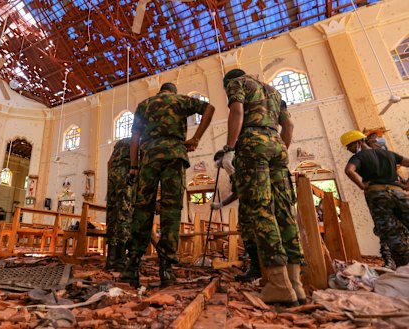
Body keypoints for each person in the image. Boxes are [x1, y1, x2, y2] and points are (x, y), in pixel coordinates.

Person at [221, 69, 304, 305]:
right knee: (284, 212)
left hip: (252, 142)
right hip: (277, 145)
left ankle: (279, 285)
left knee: (261, 209)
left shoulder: (237, 83)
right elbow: (289, 126)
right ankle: (296, 285)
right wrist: (279, 150)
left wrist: (229, 148)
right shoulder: (274, 92)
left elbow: (237, 111)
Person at [120, 82, 215, 287]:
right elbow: (210, 108)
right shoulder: (180, 100)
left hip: (149, 158)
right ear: (173, 91)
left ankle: (132, 265)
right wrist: (196, 138)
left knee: (142, 209)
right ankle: (166, 268)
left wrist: (134, 167)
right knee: (171, 210)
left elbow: (134, 137)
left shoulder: (145, 104)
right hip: (174, 155)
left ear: (160, 91)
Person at [341, 130, 409, 267]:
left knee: (392, 235)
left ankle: (405, 268)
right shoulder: (388, 154)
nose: (349, 150)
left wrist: (361, 185)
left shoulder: (360, 156)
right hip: (399, 193)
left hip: (378, 196)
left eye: (349, 146)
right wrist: (406, 185)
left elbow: (349, 170)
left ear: (358, 142)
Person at [211, 150, 262, 282]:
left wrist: (229, 168)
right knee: (248, 234)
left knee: (250, 235)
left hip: (253, 203)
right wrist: (220, 205)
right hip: (248, 202)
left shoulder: (237, 164)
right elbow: (236, 193)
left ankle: (258, 269)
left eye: (221, 165)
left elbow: (242, 187)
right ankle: (256, 265)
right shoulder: (233, 167)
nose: (222, 168)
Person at [362, 128, 396, 269]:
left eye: (379, 138)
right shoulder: (366, 156)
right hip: (378, 196)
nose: (378, 140)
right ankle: (389, 259)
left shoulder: (388, 155)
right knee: (384, 227)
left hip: (394, 192)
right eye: (374, 138)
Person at [105, 137, 132, 271]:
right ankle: (121, 260)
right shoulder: (138, 142)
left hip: (112, 177)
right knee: (124, 216)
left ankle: (110, 260)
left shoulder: (119, 143)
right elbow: (137, 163)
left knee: (112, 217)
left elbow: (109, 162)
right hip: (126, 176)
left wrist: (111, 178)